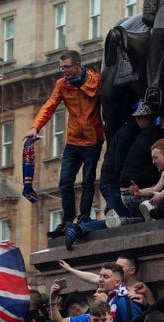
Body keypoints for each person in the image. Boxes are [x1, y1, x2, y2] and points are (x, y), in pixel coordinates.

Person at [25, 49, 103, 236]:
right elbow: (49, 106)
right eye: (61, 68)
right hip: (73, 140)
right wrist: (35, 127)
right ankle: (68, 220)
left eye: (67, 67)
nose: (64, 71)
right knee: (65, 182)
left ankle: (84, 216)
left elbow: (111, 101)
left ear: (78, 65)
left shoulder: (96, 80)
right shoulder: (62, 84)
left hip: (93, 139)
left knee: (88, 180)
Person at [99, 101, 155, 222]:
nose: (151, 123)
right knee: (121, 219)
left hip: (115, 182)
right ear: (140, 118)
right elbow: (119, 163)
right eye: (149, 120)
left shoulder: (132, 131)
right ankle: (81, 228)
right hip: (113, 182)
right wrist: (127, 183)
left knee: (122, 218)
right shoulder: (128, 134)